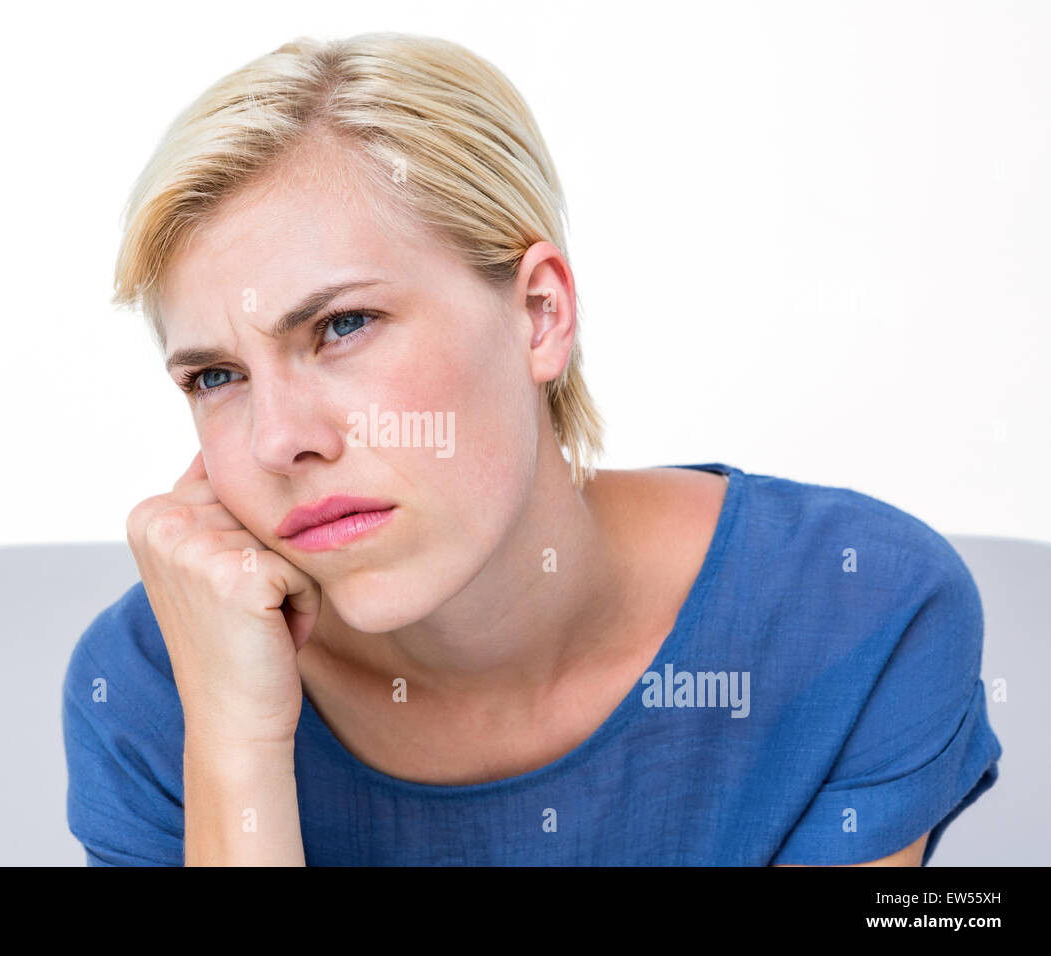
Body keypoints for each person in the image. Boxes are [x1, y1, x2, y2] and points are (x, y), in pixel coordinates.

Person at [62, 31, 1001, 866]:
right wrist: (234, 740)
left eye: (343, 325)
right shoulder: (159, 682)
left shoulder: (858, 611)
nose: (278, 441)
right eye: (215, 378)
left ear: (540, 312)